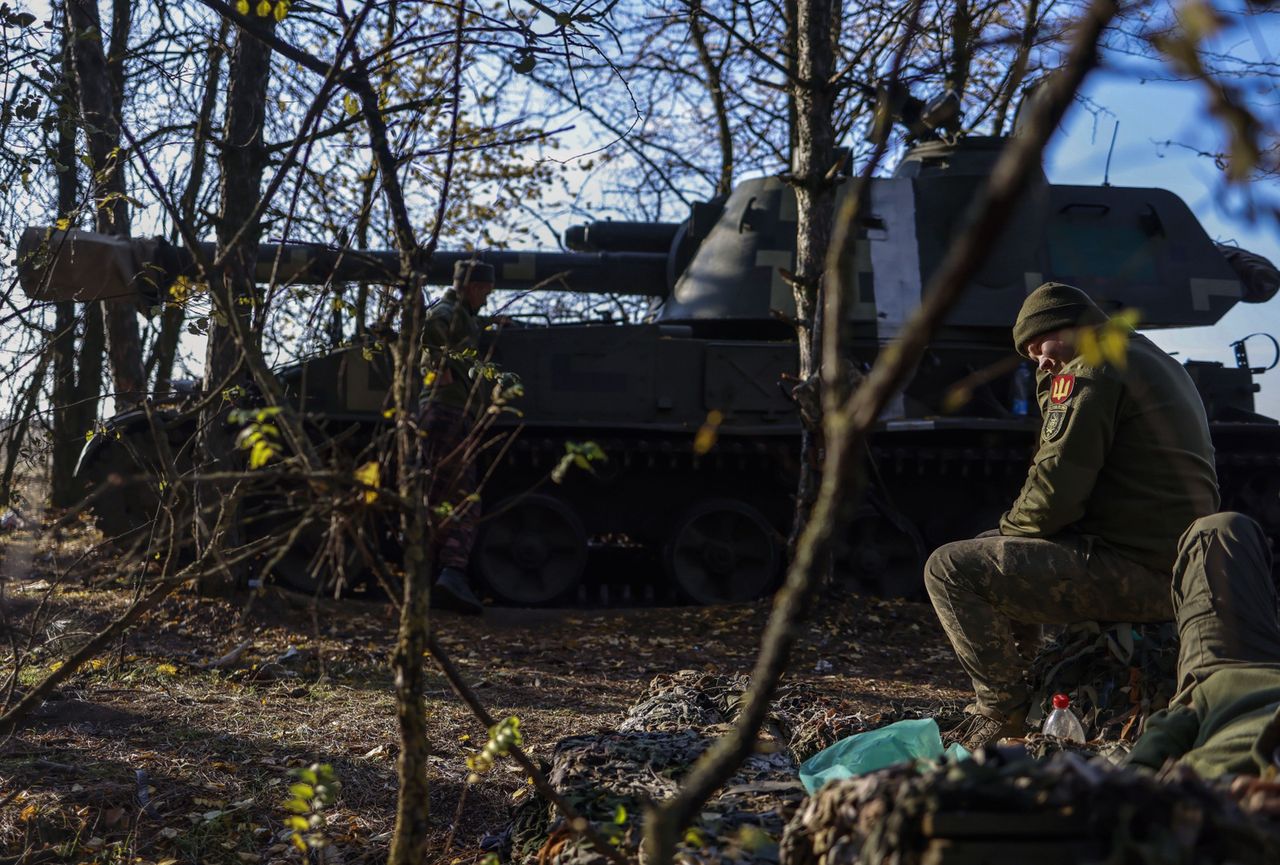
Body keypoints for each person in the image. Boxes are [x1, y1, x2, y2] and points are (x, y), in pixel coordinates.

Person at [926, 282, 1220, 749]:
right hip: (1177, 567)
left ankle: (1002, 710)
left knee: (949, 569)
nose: (1040, 361)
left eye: (1041, 346)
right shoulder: (1147, 356)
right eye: (1029, 357)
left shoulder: (1092, 367)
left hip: (1145, 576)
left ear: (1074, 326)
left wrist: (1003, 534)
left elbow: (1053, 495)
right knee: (997, 548)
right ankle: (1029, 684)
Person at [1127, 512, 1280, 777]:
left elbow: (1140, 769)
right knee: (1225, 530)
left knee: (1218, 532)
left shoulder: (1207, 697)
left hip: (1224, 676)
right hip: (1238, 678)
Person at [419, 260, 496, 615]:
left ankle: (426, 575)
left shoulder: (461, 313)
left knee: (437, 492)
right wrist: (440, 367)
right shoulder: (448, 310)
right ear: (472, 287)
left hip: (446, 412)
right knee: (463, 497)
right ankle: (451, 573)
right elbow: (432, 327)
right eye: (484, 291)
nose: (486, 298)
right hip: (448, 411)